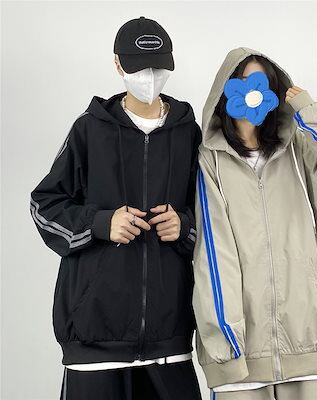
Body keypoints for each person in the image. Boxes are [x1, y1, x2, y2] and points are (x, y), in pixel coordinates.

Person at [30, 16, 202, 400]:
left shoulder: (188, 133)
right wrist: (99, 223)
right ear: (118, 65)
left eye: (158, 67)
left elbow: (217, 218)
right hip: (95, 341)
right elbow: (44, 204)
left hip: (169, 339)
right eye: (140, 68)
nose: (150, 76)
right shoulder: (89, 129)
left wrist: (185, 226)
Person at [192, 47, 317, 399]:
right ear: (226, 87)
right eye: (244, 81)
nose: (253, 91)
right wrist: (225, 342)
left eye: (263, 83)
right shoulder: (210, 161)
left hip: (312, 341)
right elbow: (214, 253)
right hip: (244, 354)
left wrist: (311, 115)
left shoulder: (298, 147)